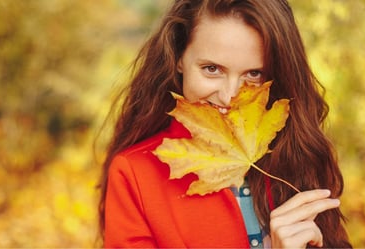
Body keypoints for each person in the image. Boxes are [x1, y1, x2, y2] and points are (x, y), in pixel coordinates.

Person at [98, 0, 352, 248]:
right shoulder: (135, 174)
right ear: (178, 58)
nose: (229, 95)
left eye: (253, 74)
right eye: (212, 69)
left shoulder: (298, 156)